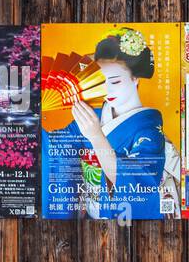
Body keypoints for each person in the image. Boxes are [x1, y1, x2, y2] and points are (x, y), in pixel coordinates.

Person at [65, 28, 180, 219]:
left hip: (124, 217)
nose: (107, 89)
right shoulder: (95, 114)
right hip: (92, 214)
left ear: (135, 78)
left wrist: (95, 136)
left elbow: (138, 183)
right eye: (101, 81)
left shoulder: (149, 130)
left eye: (115, 81)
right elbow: (58, 143)